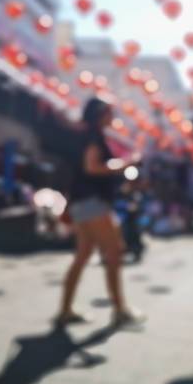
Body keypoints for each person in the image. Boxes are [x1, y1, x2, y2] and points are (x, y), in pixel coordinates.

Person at [57, 97, 144, 327]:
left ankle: (65, 310)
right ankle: (120, 310)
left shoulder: (83, 135)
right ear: (100, 114)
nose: (113, 117)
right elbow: (91, 166)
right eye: (109, 112)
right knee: (115, 252)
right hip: (91, 202)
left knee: (83, 256)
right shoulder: (94, 136)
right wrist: (125, 164)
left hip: (81, 202)